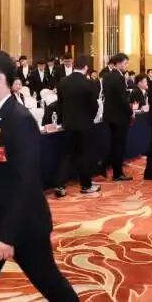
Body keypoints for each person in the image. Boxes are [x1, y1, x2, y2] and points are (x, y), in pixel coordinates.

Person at [0, 50, 78, 301]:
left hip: (23, 224)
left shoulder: (19, 119)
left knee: (51, 284)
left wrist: (8, 235)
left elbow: (26, 182)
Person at [52, 54, 101, 198]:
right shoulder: (88, 83)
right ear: (85, 67)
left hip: (68, 124)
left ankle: (59, 184)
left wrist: (63, 120)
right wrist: (89, 118)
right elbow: (94, 106)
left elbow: (60, 104)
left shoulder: (63, 82)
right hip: (84, 125)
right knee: (84, 155)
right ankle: (86, 185)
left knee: (67, 155)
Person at [103, 53, 133, 181]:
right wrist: (130, 112)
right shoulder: (119, 77)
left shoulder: (107, 75)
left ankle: (104, 166)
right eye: (125, 63)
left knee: (115, 144)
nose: (126, 66)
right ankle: (117, 173)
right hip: (119, 116)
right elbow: (122, 99)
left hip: (110, 115)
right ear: (119, 63)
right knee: (118, 145)